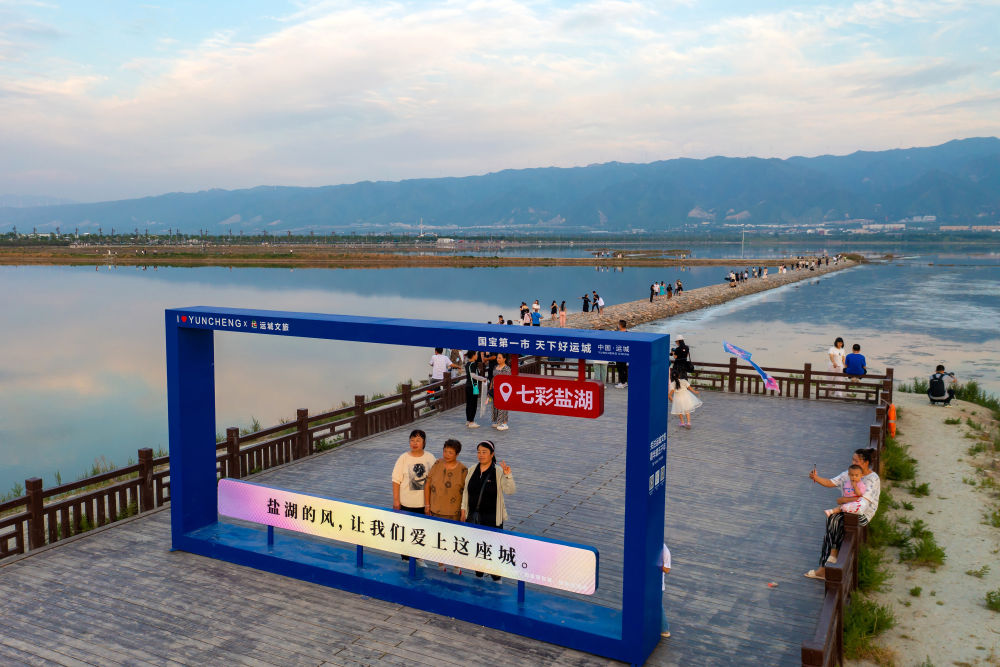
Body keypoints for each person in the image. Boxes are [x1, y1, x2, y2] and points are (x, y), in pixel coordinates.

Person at [805, 448, 880, 580]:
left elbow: (863, 501)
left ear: (866, 463)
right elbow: (830, 482)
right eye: (853, 460)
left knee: (835, 521)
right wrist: (816, 477)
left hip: (862, 514)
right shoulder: (849, 474)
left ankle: (828, 563)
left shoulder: (872, 479)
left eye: (856, 461)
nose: (853, 462)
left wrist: (843, 500)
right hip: (846, 510)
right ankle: (828, 562)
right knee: (832, 520)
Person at [461, 440, 515, 580]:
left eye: (484, 452)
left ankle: (496, 579)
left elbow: (510, 491)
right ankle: (478, 575)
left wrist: (508, 475)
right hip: (474, 517)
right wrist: (463, 510)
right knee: (478, 549)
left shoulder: (498, 471)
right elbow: (466, 492)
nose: (481, 455)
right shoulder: (472, 469)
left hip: (492, 519)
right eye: (479, 452)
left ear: (492, 454)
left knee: (493, 550)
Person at [392, 429, 437, 563]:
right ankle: (406, 559)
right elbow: (396, 480)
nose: (415, 443)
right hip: (407, 503)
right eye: (412, 440)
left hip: (424, 503)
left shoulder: (430, 457)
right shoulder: (403, 458)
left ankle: (419, 559)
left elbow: (435, 480)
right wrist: (396, 501)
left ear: (424, 442)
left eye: (418, 440)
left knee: (421, 532)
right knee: (406, 532)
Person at [425, 438, 468, 572]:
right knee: (439, 539)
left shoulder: (463, 470)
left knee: (454, 540)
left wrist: (463, 511)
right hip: (436, 509)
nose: (446, 455)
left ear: (457, 454)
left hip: (454, 512)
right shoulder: (437, 463)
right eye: (445, 451)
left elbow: (466, 492)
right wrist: (427, 505)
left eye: (450, 452)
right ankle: (441, 565)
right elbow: (427, 483)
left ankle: (457, 567)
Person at [464, 351, 487, 428]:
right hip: (473, 386)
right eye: (476, 354)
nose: (477, 356)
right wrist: (483, 379)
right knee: (473, 404)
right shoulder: (472, 364)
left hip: (470, 386)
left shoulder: (467, 364)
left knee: (469, 404)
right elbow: (473, 375)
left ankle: (468, 420)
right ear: (473, 355)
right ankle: (471, 421)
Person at [491, 352, 511, 431]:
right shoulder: (495, 367)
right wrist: (491, 386)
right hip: (495, 389)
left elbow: (507, 380)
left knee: (503, 406)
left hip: (503, 390)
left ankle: (504, 423)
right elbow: (493, 377)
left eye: (500, 358)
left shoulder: (507, 368)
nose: (498, 359)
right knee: (495, 406)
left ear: (504, 359)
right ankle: (498, 422)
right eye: (497, 358)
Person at [657, 541, 672, 639]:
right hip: (650, 582)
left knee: (658, 605)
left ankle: (664, 629)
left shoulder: (665, 550)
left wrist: (656, 564)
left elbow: (667, 569)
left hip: (658, 584)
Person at [615, 319, 629, 388]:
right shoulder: (628, 333)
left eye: (618, 324)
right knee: (624, 368)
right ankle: (625, 382)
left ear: (620, 325)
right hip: (625, 353)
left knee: (620, 368)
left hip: (619, 353)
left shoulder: (618, 334)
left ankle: (622, 383)